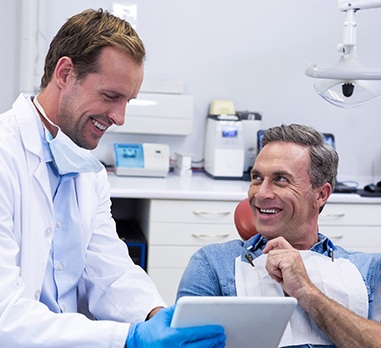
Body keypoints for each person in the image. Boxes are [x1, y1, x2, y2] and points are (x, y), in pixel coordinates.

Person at [0, 8, 225, 347]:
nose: (119, 118)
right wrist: (130, 338)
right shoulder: (5, 156)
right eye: (110, 96)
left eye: (127, 101)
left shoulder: (87, 171)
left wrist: (155, 315)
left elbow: (108, 267)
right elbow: (5, 317)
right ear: (64, 73)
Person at [177, 123, 381, 347]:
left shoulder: (368, 269)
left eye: (281, 179)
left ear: (321, 194)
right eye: (256, 178)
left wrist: (306, 291)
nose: (261, 193)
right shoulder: (213, 264)